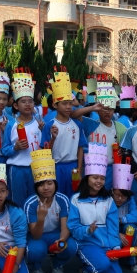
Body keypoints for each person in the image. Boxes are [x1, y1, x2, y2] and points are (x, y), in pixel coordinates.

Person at [67, 150, 123, 273]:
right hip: (87, 244)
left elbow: (113, 227)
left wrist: (115, 247)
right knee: (102, 265)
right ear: (87, 178)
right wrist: (88, 230)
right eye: (95, 177)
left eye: (102, 178)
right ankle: (87, 271)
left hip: (107, 245)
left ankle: (98, 266)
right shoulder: (76, 199)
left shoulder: (108, 200)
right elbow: (73, 227)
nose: (99, 181)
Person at [24, 149, 77, 273]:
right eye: (41, 184)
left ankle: (58, 264)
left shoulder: (62, 199)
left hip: (56, 234)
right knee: (35, 250)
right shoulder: (30, 203)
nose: (46, 188)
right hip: (37, 237)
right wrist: (41, 217)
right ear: (36, 187)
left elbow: (65, 227)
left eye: (49, 183)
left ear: (55, 184)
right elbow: (35, 235)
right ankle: (36, 267)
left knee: (71, 246)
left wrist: (61, 240)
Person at [71, 79, 127, 190]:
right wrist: (92, 107)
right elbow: (72, 115)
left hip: (111, 170)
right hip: (91, 171)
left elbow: (126, 148)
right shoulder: (91, 124)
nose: (107, 112)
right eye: (104, 109)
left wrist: (122, 151)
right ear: (98, 110)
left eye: (110, 109)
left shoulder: (119, 127)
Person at [40, 69, 86, 199]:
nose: (68, 107)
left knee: (73, 197)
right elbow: (45, 152)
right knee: (56, 198)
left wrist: (79, 169)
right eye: (64, 103)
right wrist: (53, 138)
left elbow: (80, 148)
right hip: (55, 167)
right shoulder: (49, 125)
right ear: (55, 105)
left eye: (70, 103)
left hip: (73, 167)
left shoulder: (77, 125)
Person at [2, 68, 43, 206]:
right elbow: (5, 149)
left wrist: (47, 133)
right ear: (15, 105)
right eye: (23, 101)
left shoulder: (39, 123)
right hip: (17, 169)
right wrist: (16, 147)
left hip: (36, 168)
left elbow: (46, 146)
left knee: (34, 202)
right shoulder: (11, 125)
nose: (27, 104)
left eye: (30, 101)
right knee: (17, 202)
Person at [110, 157, 137, 273]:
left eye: (123, 196)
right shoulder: (108, 201)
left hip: (124, 227)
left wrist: (121, 220)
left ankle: (132, 259)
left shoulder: (130, 200)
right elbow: (104, 221)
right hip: (111, 230)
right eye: (117, 195)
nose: (119, 199)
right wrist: (117, 233)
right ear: (112, 192)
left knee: (131, 227)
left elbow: (135, 216)